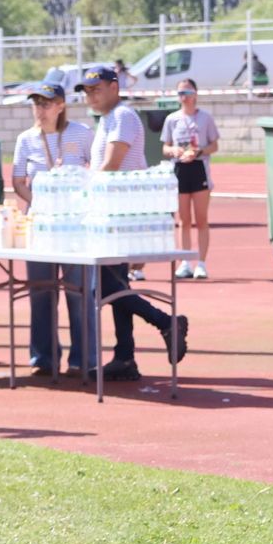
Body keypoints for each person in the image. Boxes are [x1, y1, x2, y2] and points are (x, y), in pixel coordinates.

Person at [79, 65, 189, 382]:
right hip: (111, 215)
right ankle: (125, 356)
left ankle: (165, 322)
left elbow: (112, 165)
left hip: (123, 216)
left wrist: (82, 188)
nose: (91, 95)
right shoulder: (106, 121)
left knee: (108, 287)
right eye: (86, 91)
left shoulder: (123, 117)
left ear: (115, 87)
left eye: (96, 88)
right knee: (115, 285)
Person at [11, 73, 92, 377]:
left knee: (78, 292)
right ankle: (43, 358)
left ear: (60, 105)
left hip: (73, 228)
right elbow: (18, 180)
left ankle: (82, 359)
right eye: (36, 104)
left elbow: (95, 172)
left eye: (46, 104)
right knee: (41, 292)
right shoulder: (26, 139)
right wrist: (41, 201)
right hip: (40, 226)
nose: (40, 110)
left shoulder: (82, 134)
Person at [164, 79, 220, 280]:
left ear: (195, 94)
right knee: (183, 220)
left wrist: (199, 152)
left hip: (199, 169)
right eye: (180, 92)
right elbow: (165, 146)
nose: (184, 96)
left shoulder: (205, 118)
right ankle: (185, 262)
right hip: (180, 169)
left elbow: (214, 145)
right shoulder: (172, 119)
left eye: (187, 92)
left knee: (201, 219)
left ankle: (202, 263)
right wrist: (174, 150)